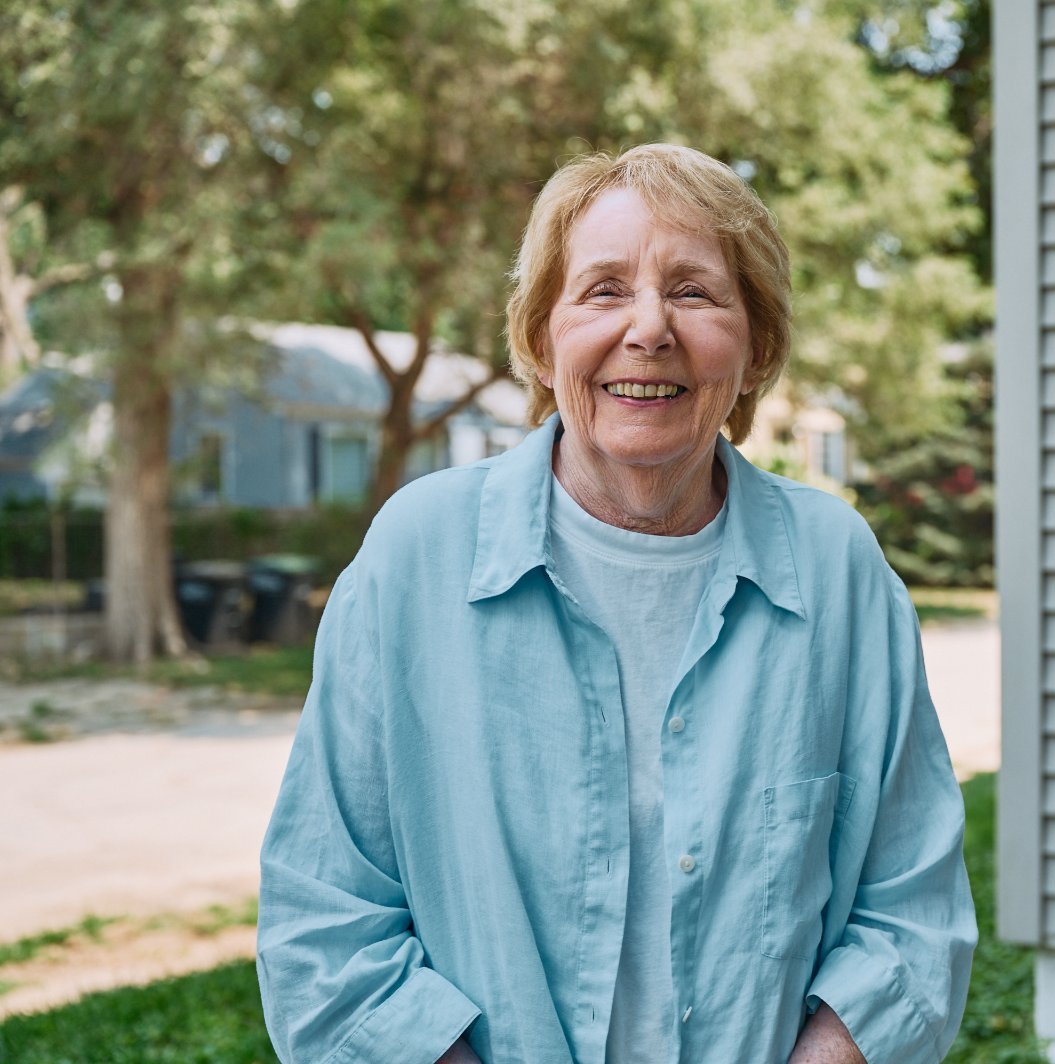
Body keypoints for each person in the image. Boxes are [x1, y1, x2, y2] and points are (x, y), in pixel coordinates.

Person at [256, 143, 976, 1064]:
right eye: (602, 290)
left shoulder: (839, 572)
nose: (648, 330)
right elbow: (326, 925)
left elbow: (910, 919)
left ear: (755, 347)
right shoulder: (415, 559)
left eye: (694, 291)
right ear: (539, 338)